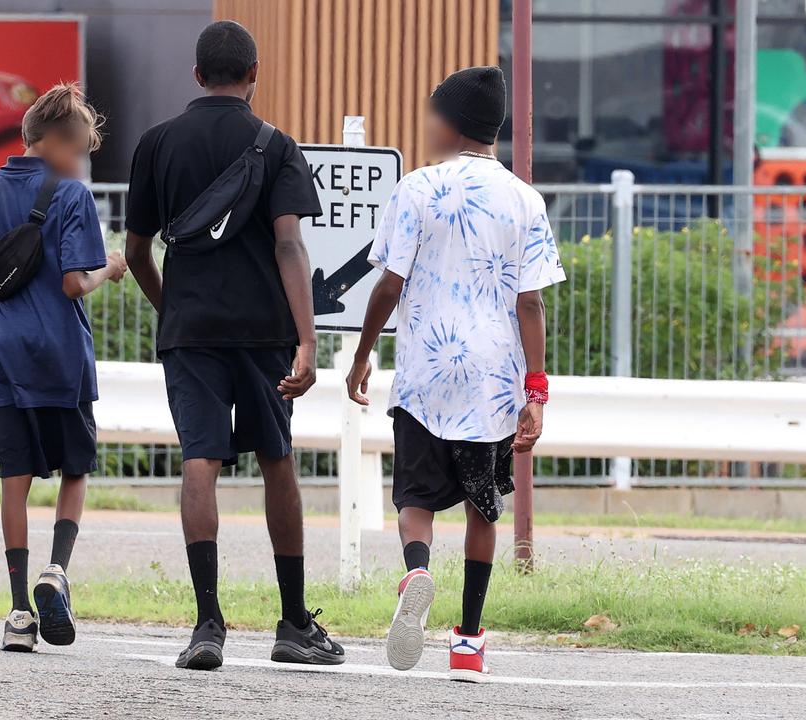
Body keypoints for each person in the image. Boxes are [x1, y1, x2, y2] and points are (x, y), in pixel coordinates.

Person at [125, 20, 345, 670]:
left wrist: (175, 311)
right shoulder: (274, 146)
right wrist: (307, 339)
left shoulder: (157, 144)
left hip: (190, 333)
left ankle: (207, 624)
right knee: (277, 459)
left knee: (201, 458)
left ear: (196, 75)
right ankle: (293, 624)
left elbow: (137, 251)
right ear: (253, 76)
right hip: (263, 332)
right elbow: (288, 244)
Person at [344, 66, 565, 681]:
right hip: (494, 380)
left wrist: (364, 353)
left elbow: (389, 283)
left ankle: (416, 570)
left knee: (415, 498)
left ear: (449, 122)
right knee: (482, 510)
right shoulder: (526, 199)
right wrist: (537, 390)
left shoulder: (417, 188)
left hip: (425, 373)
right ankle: (468, 640)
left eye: (431, 113)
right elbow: (531, 302)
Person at [0, 83, 126, 653]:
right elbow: (75, 280)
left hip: (2, 355)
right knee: (76, 467)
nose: (79, 160)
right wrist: (113, 269)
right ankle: (55, 570)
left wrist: (1, 325)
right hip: (60, 354)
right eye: (77, 148)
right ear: (53, 141)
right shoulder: (72, 196)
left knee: (14, 476)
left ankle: (18, 613)